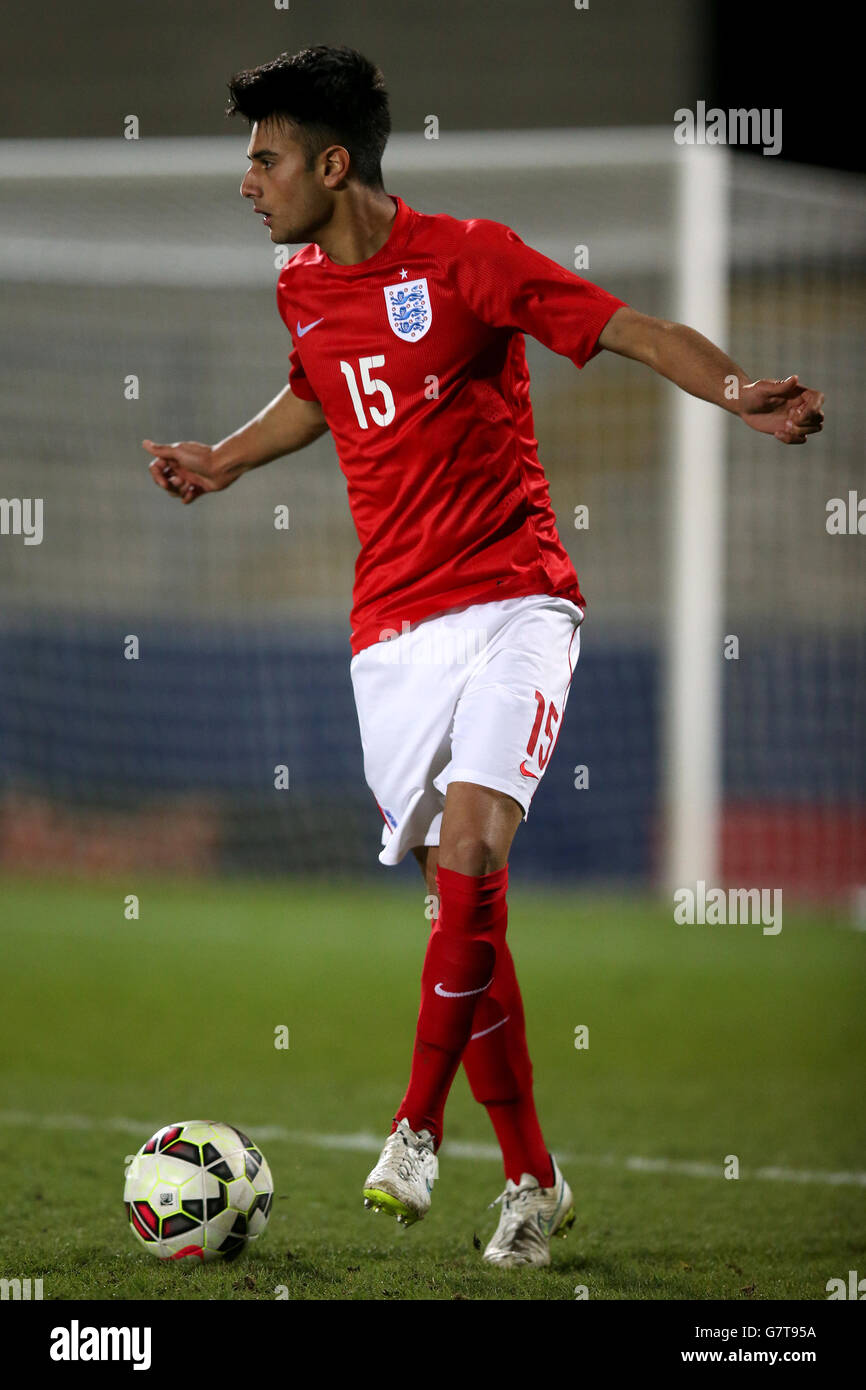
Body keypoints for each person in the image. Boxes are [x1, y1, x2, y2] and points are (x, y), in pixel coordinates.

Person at [143, 45, 824, 1268]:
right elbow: (319, 392)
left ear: (331, 163)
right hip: (390, 633)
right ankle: (532, 1179)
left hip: (516, 598)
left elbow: (632, 329)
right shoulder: (301, 284)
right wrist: (226, 458)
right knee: (467, 917)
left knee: (470, 849)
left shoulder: (470, 256)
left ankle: (414, 1123)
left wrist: (736, 391)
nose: (247, 180)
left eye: (265, 158)